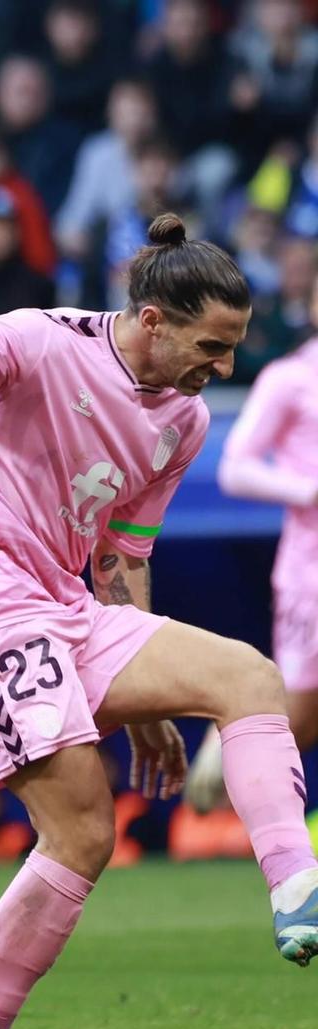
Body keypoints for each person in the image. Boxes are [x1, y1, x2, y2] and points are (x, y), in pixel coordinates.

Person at [0, 153, 318, 1029]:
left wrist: (148, 694)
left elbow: (120, 553)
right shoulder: (37, 343)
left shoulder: (182, 421)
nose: (224, 368)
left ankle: (296, 888)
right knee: (82, 833)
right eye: (213, 345)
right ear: (153, 320)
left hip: (68, 610)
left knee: (249, 679)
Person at [189, 276, 318, 807]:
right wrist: (308, 489)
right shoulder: (291, 378)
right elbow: (235, 467)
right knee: (302, 717)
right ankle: (233, 732)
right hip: (311, 573)